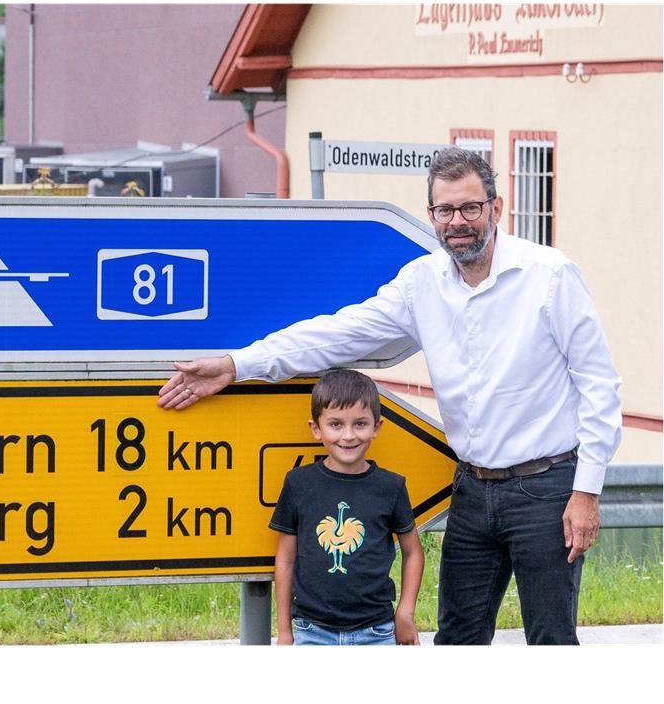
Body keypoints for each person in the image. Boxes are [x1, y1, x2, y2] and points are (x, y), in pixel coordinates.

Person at [158, 147, 622, 645]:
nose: (458, 222)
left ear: (496, 207)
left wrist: (586, 492)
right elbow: (336, 334)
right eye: (445, 210)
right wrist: (236, 365)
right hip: (470, 488)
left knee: (551, 643)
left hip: (546, 489)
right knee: (457, 642)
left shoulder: (550, 276)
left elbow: (599, 385)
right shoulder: (421, 285)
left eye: (470, 207)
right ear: (431, 216)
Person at [272, 369, 423, 646]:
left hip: (377, 631)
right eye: (336, 424)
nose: (349, 435)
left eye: (360, 424)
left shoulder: (391, 487)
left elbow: (413, 552)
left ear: (377, 427)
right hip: (311, 631)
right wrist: (284, 632)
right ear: (316, 429)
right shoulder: (298, 484)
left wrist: (405, 612)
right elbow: (285, 558)